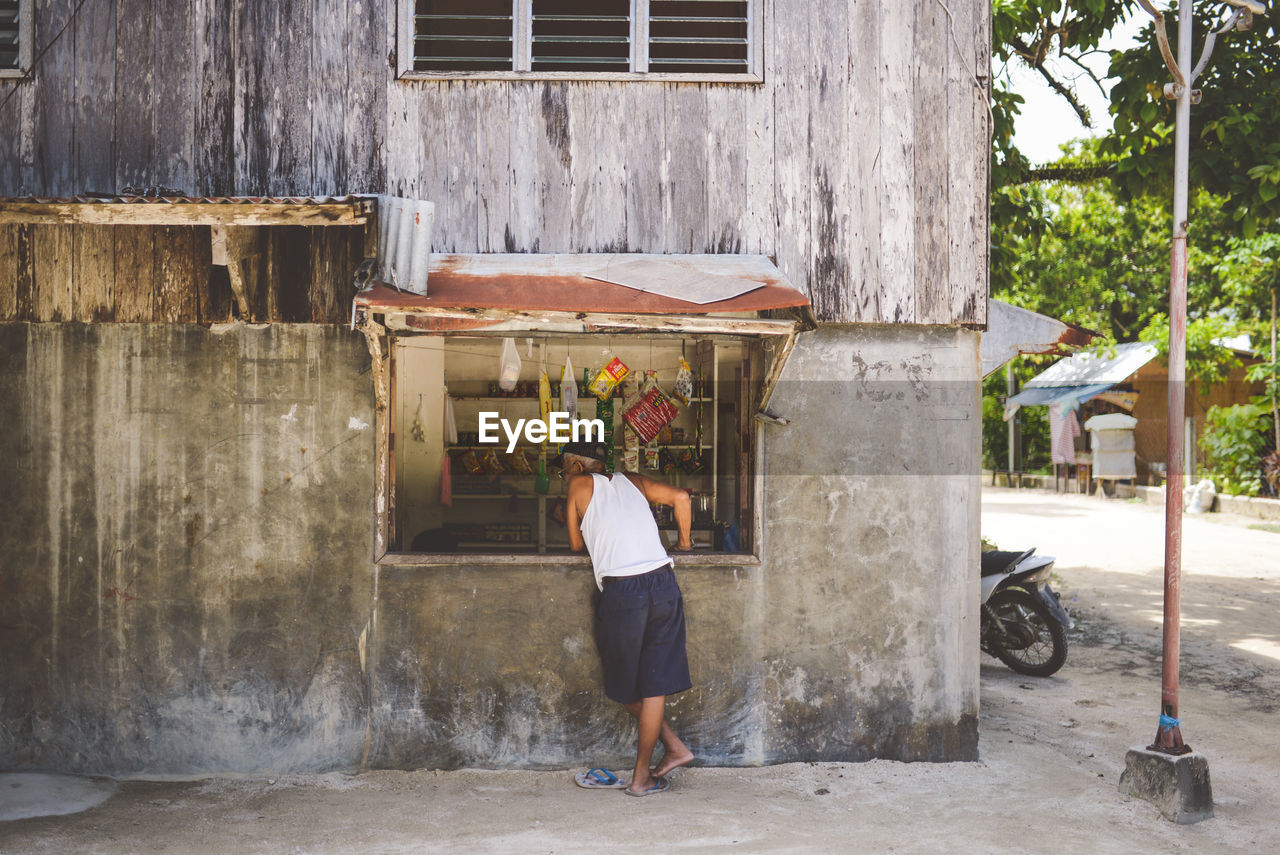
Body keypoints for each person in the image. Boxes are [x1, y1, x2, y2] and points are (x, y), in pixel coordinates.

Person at [559, 440, 695, 797]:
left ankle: (663, 757)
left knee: (624, 687)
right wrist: (684, 544)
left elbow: (575, 545)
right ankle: (645, 774)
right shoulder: (632, 481)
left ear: (576, 466)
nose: (564, 476)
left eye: (564, 469)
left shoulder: (577, 484)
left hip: (624, 592)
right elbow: (682, 498)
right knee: (654, 687)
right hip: (664, 583)